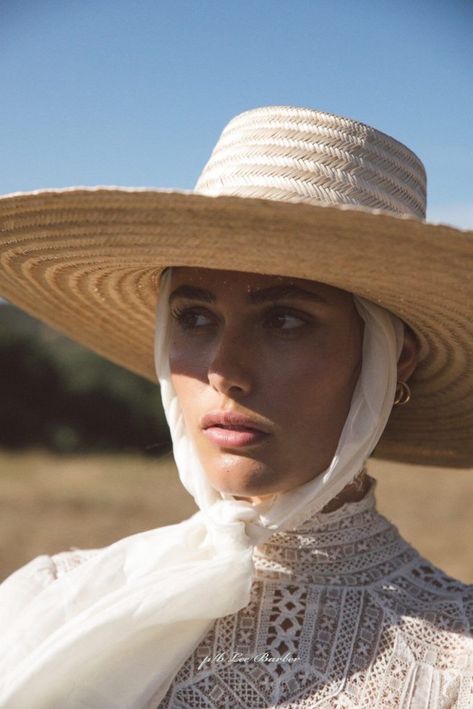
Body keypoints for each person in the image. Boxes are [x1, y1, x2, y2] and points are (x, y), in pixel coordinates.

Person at [0, 105, 472, 708]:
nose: (226, 370)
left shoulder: (455, 665)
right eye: (194, 318)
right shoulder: (53, 600)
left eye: (285, 320)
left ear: (391, 359)